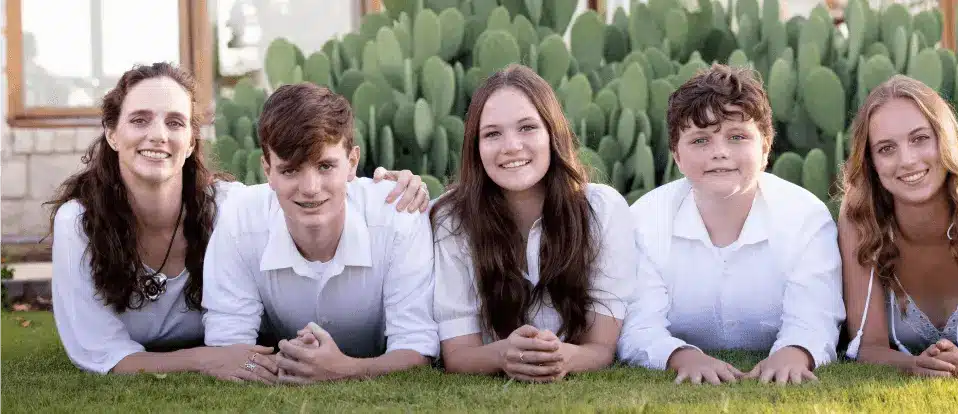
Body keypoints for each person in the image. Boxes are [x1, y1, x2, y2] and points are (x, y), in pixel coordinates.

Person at [48, 63, 429, 380]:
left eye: (176, 123)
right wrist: (207, 359)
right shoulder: (79, 223)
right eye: (139, 120)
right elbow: (102, 352)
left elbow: (291, 188)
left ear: (193, 142)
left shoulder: (228, 207)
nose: (158, 135)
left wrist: (392, 186)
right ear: (112, 133)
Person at [617, 64, 845, 385]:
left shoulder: (805, 216)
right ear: (676, 156)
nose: (719, 152)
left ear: (765, 148)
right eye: (700, 140)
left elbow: (815, 314)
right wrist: (680, 356)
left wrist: (794, 353)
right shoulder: (645, 219)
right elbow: (638, 325)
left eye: (737, 137)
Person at [201, 82, 439, 384]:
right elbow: (228, 351)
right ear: (267, 170)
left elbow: (417, 350)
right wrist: (273, 366)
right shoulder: (238, 219)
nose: (311, 188)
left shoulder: (398, 214)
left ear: (352, 163)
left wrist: (344, 370)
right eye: (290, 170)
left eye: (325, 166)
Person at [430, 65, 635, 383]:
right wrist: (503, 354)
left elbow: (601, 347)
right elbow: (457, 354)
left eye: (527, 128)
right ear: (476, 147)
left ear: (552, 133)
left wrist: (563, 357)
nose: (511, 146)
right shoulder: (451, 220)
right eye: (492, 134)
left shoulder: (603, 210)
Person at [839, 75, 958, 377]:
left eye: (920, 139)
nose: (907, 160)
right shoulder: (861, 218)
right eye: (886, 149)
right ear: (871, 163)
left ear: (945, 139)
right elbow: (868, 349)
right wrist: (917, 365)